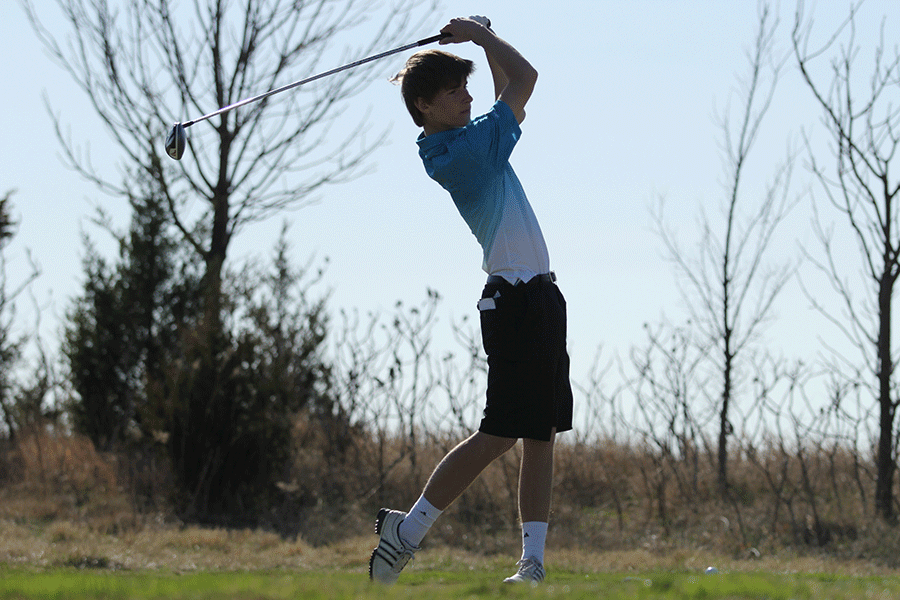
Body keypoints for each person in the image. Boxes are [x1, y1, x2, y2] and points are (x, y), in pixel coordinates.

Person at [369, 15, 573, 586]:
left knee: (539, 434)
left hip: (541, 297)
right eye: (454, 90)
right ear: (426, 107)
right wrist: (484, 38)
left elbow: (511, 94)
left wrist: (483, 42)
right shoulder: (464, 151)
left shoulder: (466, 138)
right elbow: (525, 80)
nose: (468, 94)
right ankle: (406, 534)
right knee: (500, 432)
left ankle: (531, 565)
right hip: (513, 301)